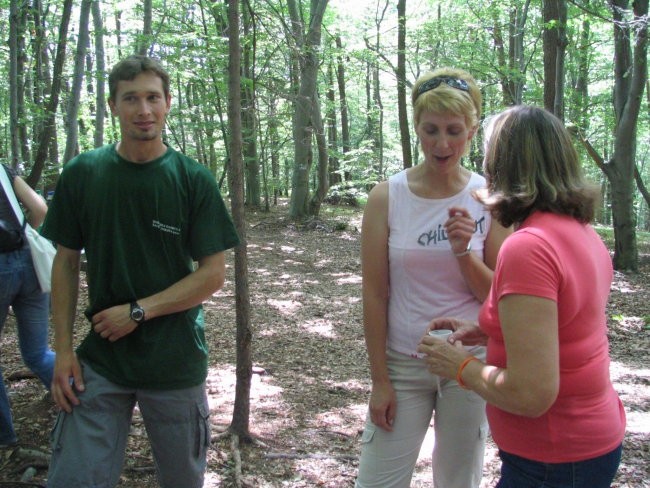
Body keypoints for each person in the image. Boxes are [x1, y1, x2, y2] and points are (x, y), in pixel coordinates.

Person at [41, 55, 240, 488]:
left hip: (175, 361)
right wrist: (62, 351)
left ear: (168, 103)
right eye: (131, 98)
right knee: (75, 477)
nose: (143, 110)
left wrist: (138, 311)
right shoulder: (84, 173)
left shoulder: (192, 179)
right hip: (101, 359)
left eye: (153, 98)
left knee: (183, 479)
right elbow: (66, 260)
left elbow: (212, 274)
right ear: (113, 105)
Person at [418, 105, 626, 488]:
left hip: (555, 458)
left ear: (503, 166)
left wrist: (460, 366)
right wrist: (491, 331)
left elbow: (531, 395)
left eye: (489, 156)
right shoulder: (579, 231)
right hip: (585, 445)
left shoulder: (528, 247)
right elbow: (565, 327)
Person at [356, 67, 511, 488]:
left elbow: (497, 296)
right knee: (377, 480)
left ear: (473, 130)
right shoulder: (388, 196)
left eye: (454, 131)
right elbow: (374, 293)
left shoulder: (489, 199)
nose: (442, 144)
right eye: (430, 130)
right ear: (417, 128)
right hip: (404, 363)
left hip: (468, 364)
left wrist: (463, 252)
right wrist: (379, 380)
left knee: (458, 481)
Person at [0, 165, 55, 448]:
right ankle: (88, 407)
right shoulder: (2, 169)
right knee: (37, 353)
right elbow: (40, 208)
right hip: (29, 260)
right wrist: (22, 238)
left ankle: (5, 440)